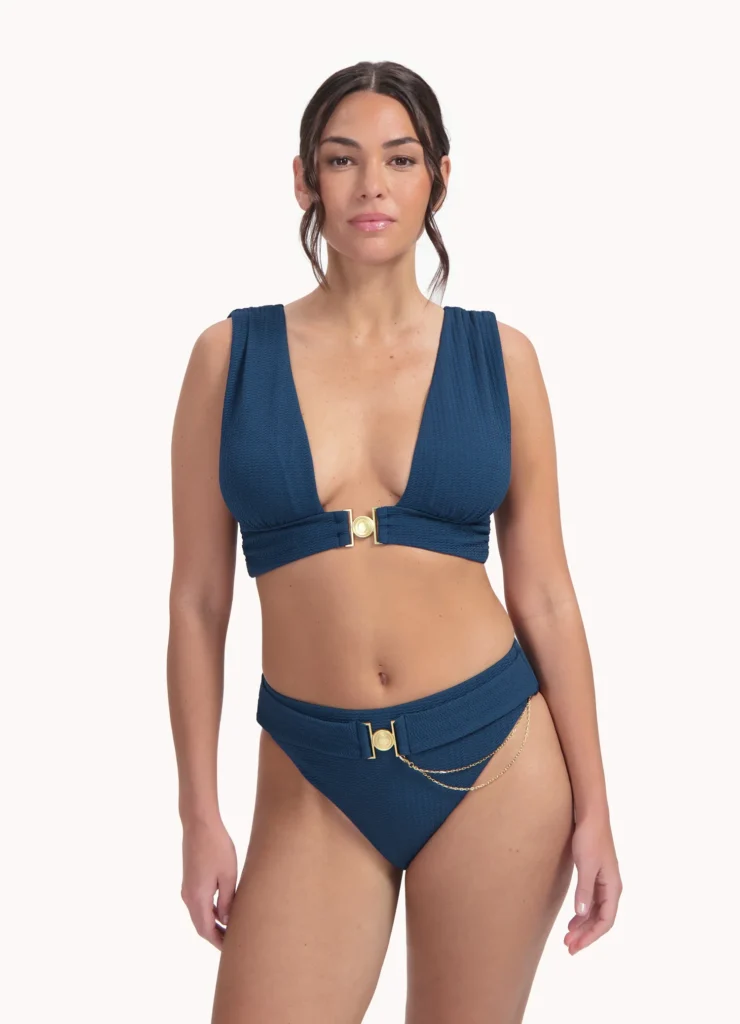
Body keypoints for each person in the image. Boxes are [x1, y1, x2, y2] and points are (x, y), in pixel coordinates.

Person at [167, 60, 622, 1023]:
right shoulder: (228, 359)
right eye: (342, 160)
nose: (371, 185)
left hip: (496, 762)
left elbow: (546, 595)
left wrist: (597, 808)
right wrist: (198, 813)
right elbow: (198, 602)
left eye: (400, 159)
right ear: (304, 180)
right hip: (312, 775)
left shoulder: (502, 360)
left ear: (439, 178)